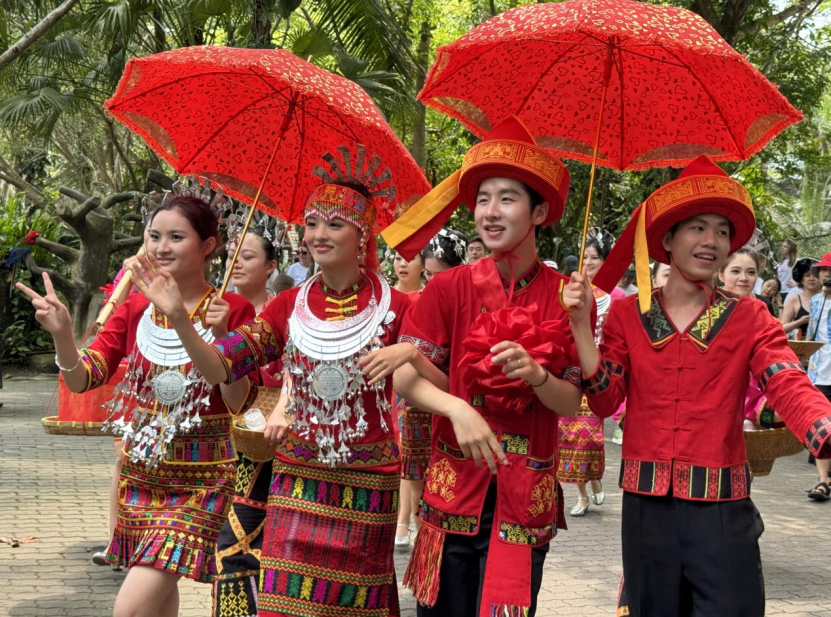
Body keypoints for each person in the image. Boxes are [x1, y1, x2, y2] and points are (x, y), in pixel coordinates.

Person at [126, 149, 430, 617]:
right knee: (282, 606)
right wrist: (181, 321)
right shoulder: (289, 306)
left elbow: (437, 377)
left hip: (369, 484)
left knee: (354, 607)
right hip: (295, 478)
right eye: (311, 223)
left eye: (334, 224)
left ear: (362, 232)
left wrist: (410, 352)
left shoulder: (398, 307)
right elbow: (220, 368)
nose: (317, 235)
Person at [564, 155, 831, 616]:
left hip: (722, 509)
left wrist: (823, 428)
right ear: (667, 238)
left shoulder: (750, 316)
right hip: (646, 509)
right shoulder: (630, 315)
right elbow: (606, 397)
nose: (712, 241)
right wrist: (581, 327)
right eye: (698, 228)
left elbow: (785, 378)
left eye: (722, 231)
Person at [382, 116, 588, 617]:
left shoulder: (567, 294)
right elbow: (405, 377)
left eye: (507, 199)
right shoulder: (447, 287)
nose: (490, 212)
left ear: (539, 211)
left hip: (524, 487)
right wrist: (459, 408)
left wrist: (538, 376)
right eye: (483, 198)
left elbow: (571, 400)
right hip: (454, 483)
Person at [18, 192, 256, 617]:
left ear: (208, 246)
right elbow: (84, 377)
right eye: (154, 236)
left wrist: (215, 335)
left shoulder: (230, 310)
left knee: (128, 609)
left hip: (201, 482)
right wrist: (61, 335)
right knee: (158, 603)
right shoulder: (135, 306)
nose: (161, 247)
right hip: (141, 476)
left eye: (176, 237)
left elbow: (237, 401)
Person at [212, 229, 284, 617]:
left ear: (272, 266)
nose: (236, 262)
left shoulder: (286, 312)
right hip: (242, 449)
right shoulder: (219, 310)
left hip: (288, 445)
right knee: (234, 548)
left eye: (249, 256)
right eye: (233, 255)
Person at [395, 229, 468, 550]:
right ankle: (408, 524)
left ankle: (426, 528)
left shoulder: (469, 307)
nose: (433, 281)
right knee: (411, 466)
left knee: (440, 475)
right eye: (428, 274)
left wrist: (415, 358)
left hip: (455, 406)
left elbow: (455, 381)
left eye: (441, 274)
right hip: (414, 401)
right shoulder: (415, 302)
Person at [558, 230, 623, 516]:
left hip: (599, 371)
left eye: (594, 257)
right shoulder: (571, 289)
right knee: (569, 436)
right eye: (585, 257)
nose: (588, 262)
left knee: (589, 437)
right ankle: (581, 495)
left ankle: (594, 480)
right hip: (573, 370)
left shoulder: (617, 297)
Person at [807, 253, 831, 501]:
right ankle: (822, 481)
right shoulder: (816, 301)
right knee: (823, 425)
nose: (827, 275)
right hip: (818, 370)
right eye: (824, 271)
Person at [780, 257, 820, 338]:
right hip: (801, 346)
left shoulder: (828, 298)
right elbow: (782, 328)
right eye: (807, 275)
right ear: (802, 279)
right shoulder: (794, 300)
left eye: (815, 275)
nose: (811, 279)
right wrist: (799, 322)